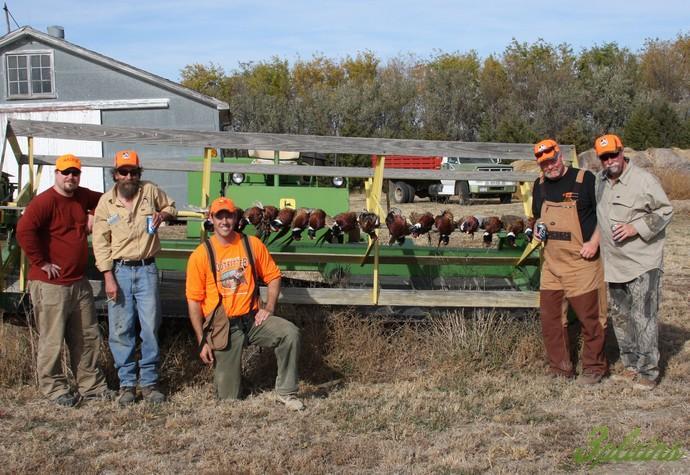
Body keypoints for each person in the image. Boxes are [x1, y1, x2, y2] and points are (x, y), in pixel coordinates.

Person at [186, 197, 304, 410]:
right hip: (224, 326)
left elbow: (274, 276)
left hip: (252, 317)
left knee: (290, 333)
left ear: (236, 218)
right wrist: (202, 339)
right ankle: (237, 383)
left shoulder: (251, 244)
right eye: (219, 216)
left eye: (229, 215)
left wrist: (269, 307)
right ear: (211, 219)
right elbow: (194, 301)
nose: (224, 221)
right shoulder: (200, 255)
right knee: (229, 399)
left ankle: (287, 392)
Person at [16, 154, 114, 406]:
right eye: (65, 172)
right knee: (52, 338)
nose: (70, 177)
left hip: (79, 282)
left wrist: (94, 212)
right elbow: (23, 231)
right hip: (51, 285)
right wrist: (41, 263)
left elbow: (108, 199)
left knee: (87, 336)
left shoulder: (82, 195)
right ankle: (54, 388)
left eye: (75, 173)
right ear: (56, 174)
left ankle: (91, 385)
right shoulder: (44, 202)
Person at [92, 150, 176, 406]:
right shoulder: (106, 203)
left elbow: (171, 206)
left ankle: (149, 384)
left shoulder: (150, 191)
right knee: (121, 329)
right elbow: (100, 241)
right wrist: (108, 276)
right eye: (124, 171)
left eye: (134, 172)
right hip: (119, 272)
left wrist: (165, 214)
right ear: (115, 174)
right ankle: (127, 384)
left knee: (150, 328)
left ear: (140, 174)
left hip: (147, 269)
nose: (129, 176)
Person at [594, 134, 673, 390]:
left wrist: (635, 228)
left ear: (622, 152)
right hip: (615, 264)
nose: (609, 161)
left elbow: (665, 211)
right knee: (621, 317)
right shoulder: (600, 182)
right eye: (604, 157)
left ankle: (649, 372)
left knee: (644, 316)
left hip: (643, 262)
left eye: (613, 155)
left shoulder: (644, 180)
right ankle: (630, 365)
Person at [531, 139, 608, 384]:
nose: (549, 167)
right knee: (551, 318)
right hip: (552, 262)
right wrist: (536, 228)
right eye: (544, 164)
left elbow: (605, 216)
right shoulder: (539, 185)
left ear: (561, 157)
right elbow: (536, 217)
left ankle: (594, 368)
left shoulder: (586, 180)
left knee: (591, 318)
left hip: (582, 261)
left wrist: (594, 242)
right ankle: (560, 368)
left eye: (552, 160)